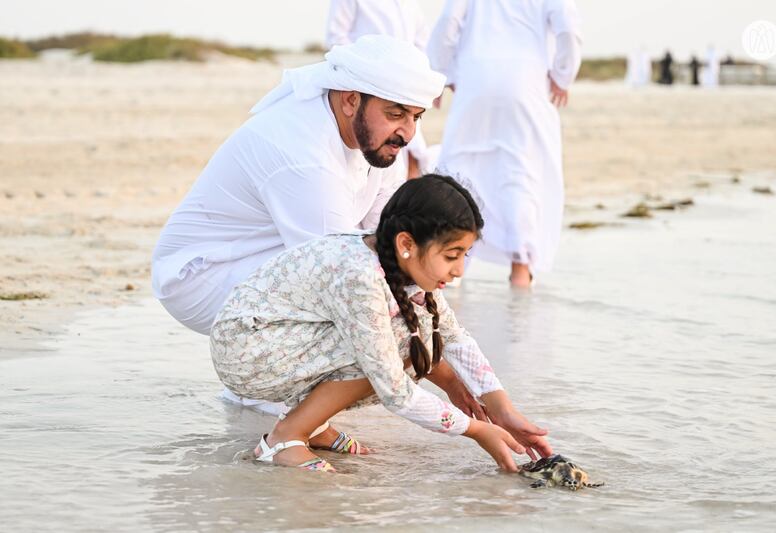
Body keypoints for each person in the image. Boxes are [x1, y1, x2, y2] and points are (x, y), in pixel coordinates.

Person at [152, 35, 484, 431]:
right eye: (396, 113)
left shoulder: (380, 143)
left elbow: (398, 251)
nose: (408, 132)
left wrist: (475, 382)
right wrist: (446, 380)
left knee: (391, 310)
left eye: (416, 116)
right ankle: (271, 395)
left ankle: (277, 391)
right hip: (201, 278)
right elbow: (344, 279)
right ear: (350, 100)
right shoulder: (303, 156)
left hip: (271, 259)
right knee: (377, 317)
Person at [210, 175, 553, 472]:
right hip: (248, 351)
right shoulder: (359, 276)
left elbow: (454, 337)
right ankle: (284, 439)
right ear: (407, 243)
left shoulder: (398, 264)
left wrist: (502, 411)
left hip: (280, 341)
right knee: (402, 342)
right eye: (451, 256)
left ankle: (312, 425)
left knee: (416, 330)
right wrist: (476, 430)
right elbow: (395, 391)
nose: (460, 269)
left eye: (465, 255)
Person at [427, 0, 582, 288]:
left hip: (475, 77)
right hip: (526, 80)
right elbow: (568, 28)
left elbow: (449, 20)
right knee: (521, 171)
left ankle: (448, 266)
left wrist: (440, 72)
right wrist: (563, 74)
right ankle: (521, 269)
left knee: (460, 168)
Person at [325, 0, 433, 177]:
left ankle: (404, 200)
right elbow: (336, 37)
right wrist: (368, 69)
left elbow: (422, 43)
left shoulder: (409, 4)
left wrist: (417, 76)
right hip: (369, 87)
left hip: (406, 89)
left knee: (412, 153)